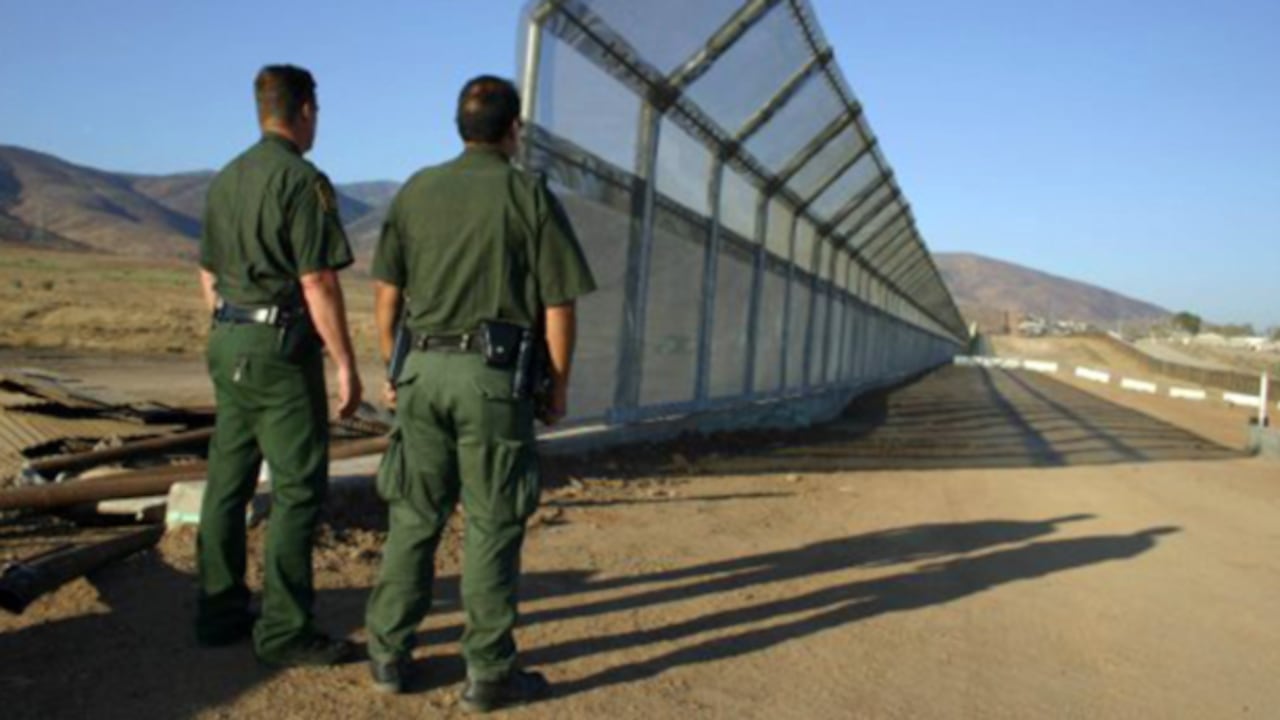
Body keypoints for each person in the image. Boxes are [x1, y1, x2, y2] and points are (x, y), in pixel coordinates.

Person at [364, 75, 596, 712]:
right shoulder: (527, 194)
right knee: (493, 522)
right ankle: (488, 672)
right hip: (492, 383)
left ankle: (388, 652)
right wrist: (558, 386)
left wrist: (394, 366)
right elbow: (559, 304)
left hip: (422, 373)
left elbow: (386, 295)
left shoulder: (416, 190)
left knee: (413, 517)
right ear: (513, 129)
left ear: (459, 127)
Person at [195, 64, 362, 667]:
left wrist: (230, 325)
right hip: (279, 348)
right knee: (296, 487)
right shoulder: (303, 181)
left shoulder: (226, 180)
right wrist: (346, 362)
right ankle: (286, 629)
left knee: (228, 479)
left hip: (228, 337)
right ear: (307, 111)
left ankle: (217, 613)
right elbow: (316, 279)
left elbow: (208, 272)